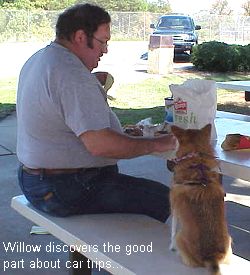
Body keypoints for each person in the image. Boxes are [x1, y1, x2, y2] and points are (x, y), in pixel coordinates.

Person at [16, 3, 177, 223]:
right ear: (81, 37)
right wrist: (160, 143)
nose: (105, 50)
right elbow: (101, 145)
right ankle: (173, 256)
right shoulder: (71, 73)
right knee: (175, 202)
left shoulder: (42, 58)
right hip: (64, 188)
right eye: (103, 41)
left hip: (35, 181)